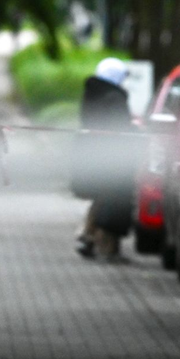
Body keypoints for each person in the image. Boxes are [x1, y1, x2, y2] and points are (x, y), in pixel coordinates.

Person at [72, 57, 134, 261]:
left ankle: (88, 237)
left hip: (92, 152)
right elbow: (120, 128)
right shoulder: (114, 97)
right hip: (113, 155)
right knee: (110, 199)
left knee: (100, 197)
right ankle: (102, 243)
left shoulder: (92, 93)